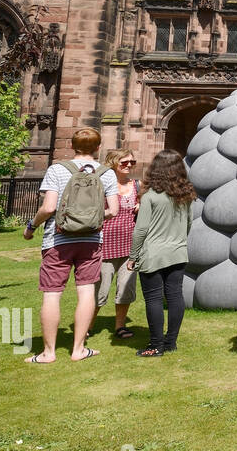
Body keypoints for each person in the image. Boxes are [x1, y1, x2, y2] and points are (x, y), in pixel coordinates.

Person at [22, 127, 120, 363]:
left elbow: (48, 208)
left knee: (52, 294)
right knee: (86, 292)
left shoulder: (57, 169)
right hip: (91, 240)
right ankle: (78, 349)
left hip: (58, 239)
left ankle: (48, 352)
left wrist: (31, 226)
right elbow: (114, 211)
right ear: (98, 148)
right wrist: (92, 219)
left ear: (72, 146)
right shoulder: (107, 173)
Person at [128, 150, 196, 356]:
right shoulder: (186, 196)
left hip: (153, 254)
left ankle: (156, 345)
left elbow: (141, 229)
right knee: (175, 296)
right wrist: (179, 242)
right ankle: (170, 342)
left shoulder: (149, 197)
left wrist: (132, 256)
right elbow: (189, 224)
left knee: (154, 299)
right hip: (178, 252)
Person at [96, 148, 140, 339]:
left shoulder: (137, 185)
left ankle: (120, 326)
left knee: (125, 290)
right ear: (113, 163)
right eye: (124, 162)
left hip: (129, 246)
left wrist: (141, 206)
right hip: (104, 245)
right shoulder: (103, 185)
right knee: (99, 291)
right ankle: (87, 325)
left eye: (132, 162)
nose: (129, 165)